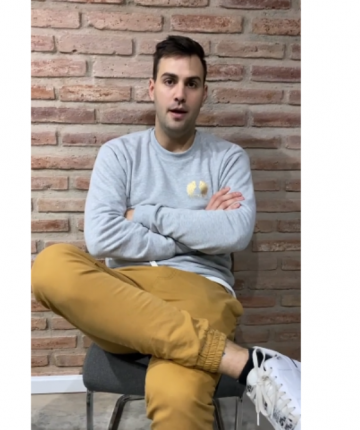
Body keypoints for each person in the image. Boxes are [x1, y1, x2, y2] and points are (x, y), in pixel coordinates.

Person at [31, 35, 301, 430]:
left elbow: (235, 233)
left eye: (192, 83)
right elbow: (101, 237)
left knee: (176, 396)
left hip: (201, 290)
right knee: (51, 266)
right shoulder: (119, 154)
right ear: (152, 88)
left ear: (204, 93)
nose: (180, 94)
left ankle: (222, 358)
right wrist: (198, 227)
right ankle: (243, 362)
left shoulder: (228, 158)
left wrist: (142, 214)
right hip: (126, 292)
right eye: (170, 81)